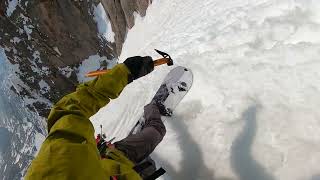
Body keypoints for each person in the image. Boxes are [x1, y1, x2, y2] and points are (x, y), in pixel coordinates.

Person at [25, 56, 167, 180]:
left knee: (156, 131)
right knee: (149, 166)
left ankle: (152, 107)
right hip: (121, 167)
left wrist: (125, 72)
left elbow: (72, 109)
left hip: (116, 158)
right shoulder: (52, 166)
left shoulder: (54, 165)